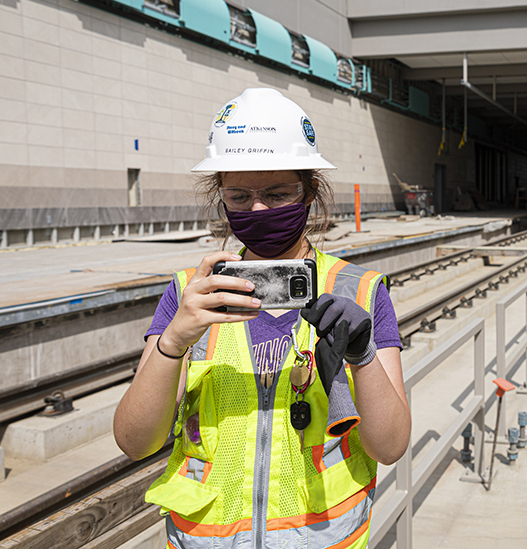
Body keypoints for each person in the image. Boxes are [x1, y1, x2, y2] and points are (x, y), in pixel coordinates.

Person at [113, 88, 411, 549]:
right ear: (221, 196)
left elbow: (389, 447)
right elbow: (135, 442)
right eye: (238, 195)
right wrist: (173, 342)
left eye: (276, 194)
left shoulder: (361, 292)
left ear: (308, 191)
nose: (256, 210)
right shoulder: (191, 292)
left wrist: (363, 355)